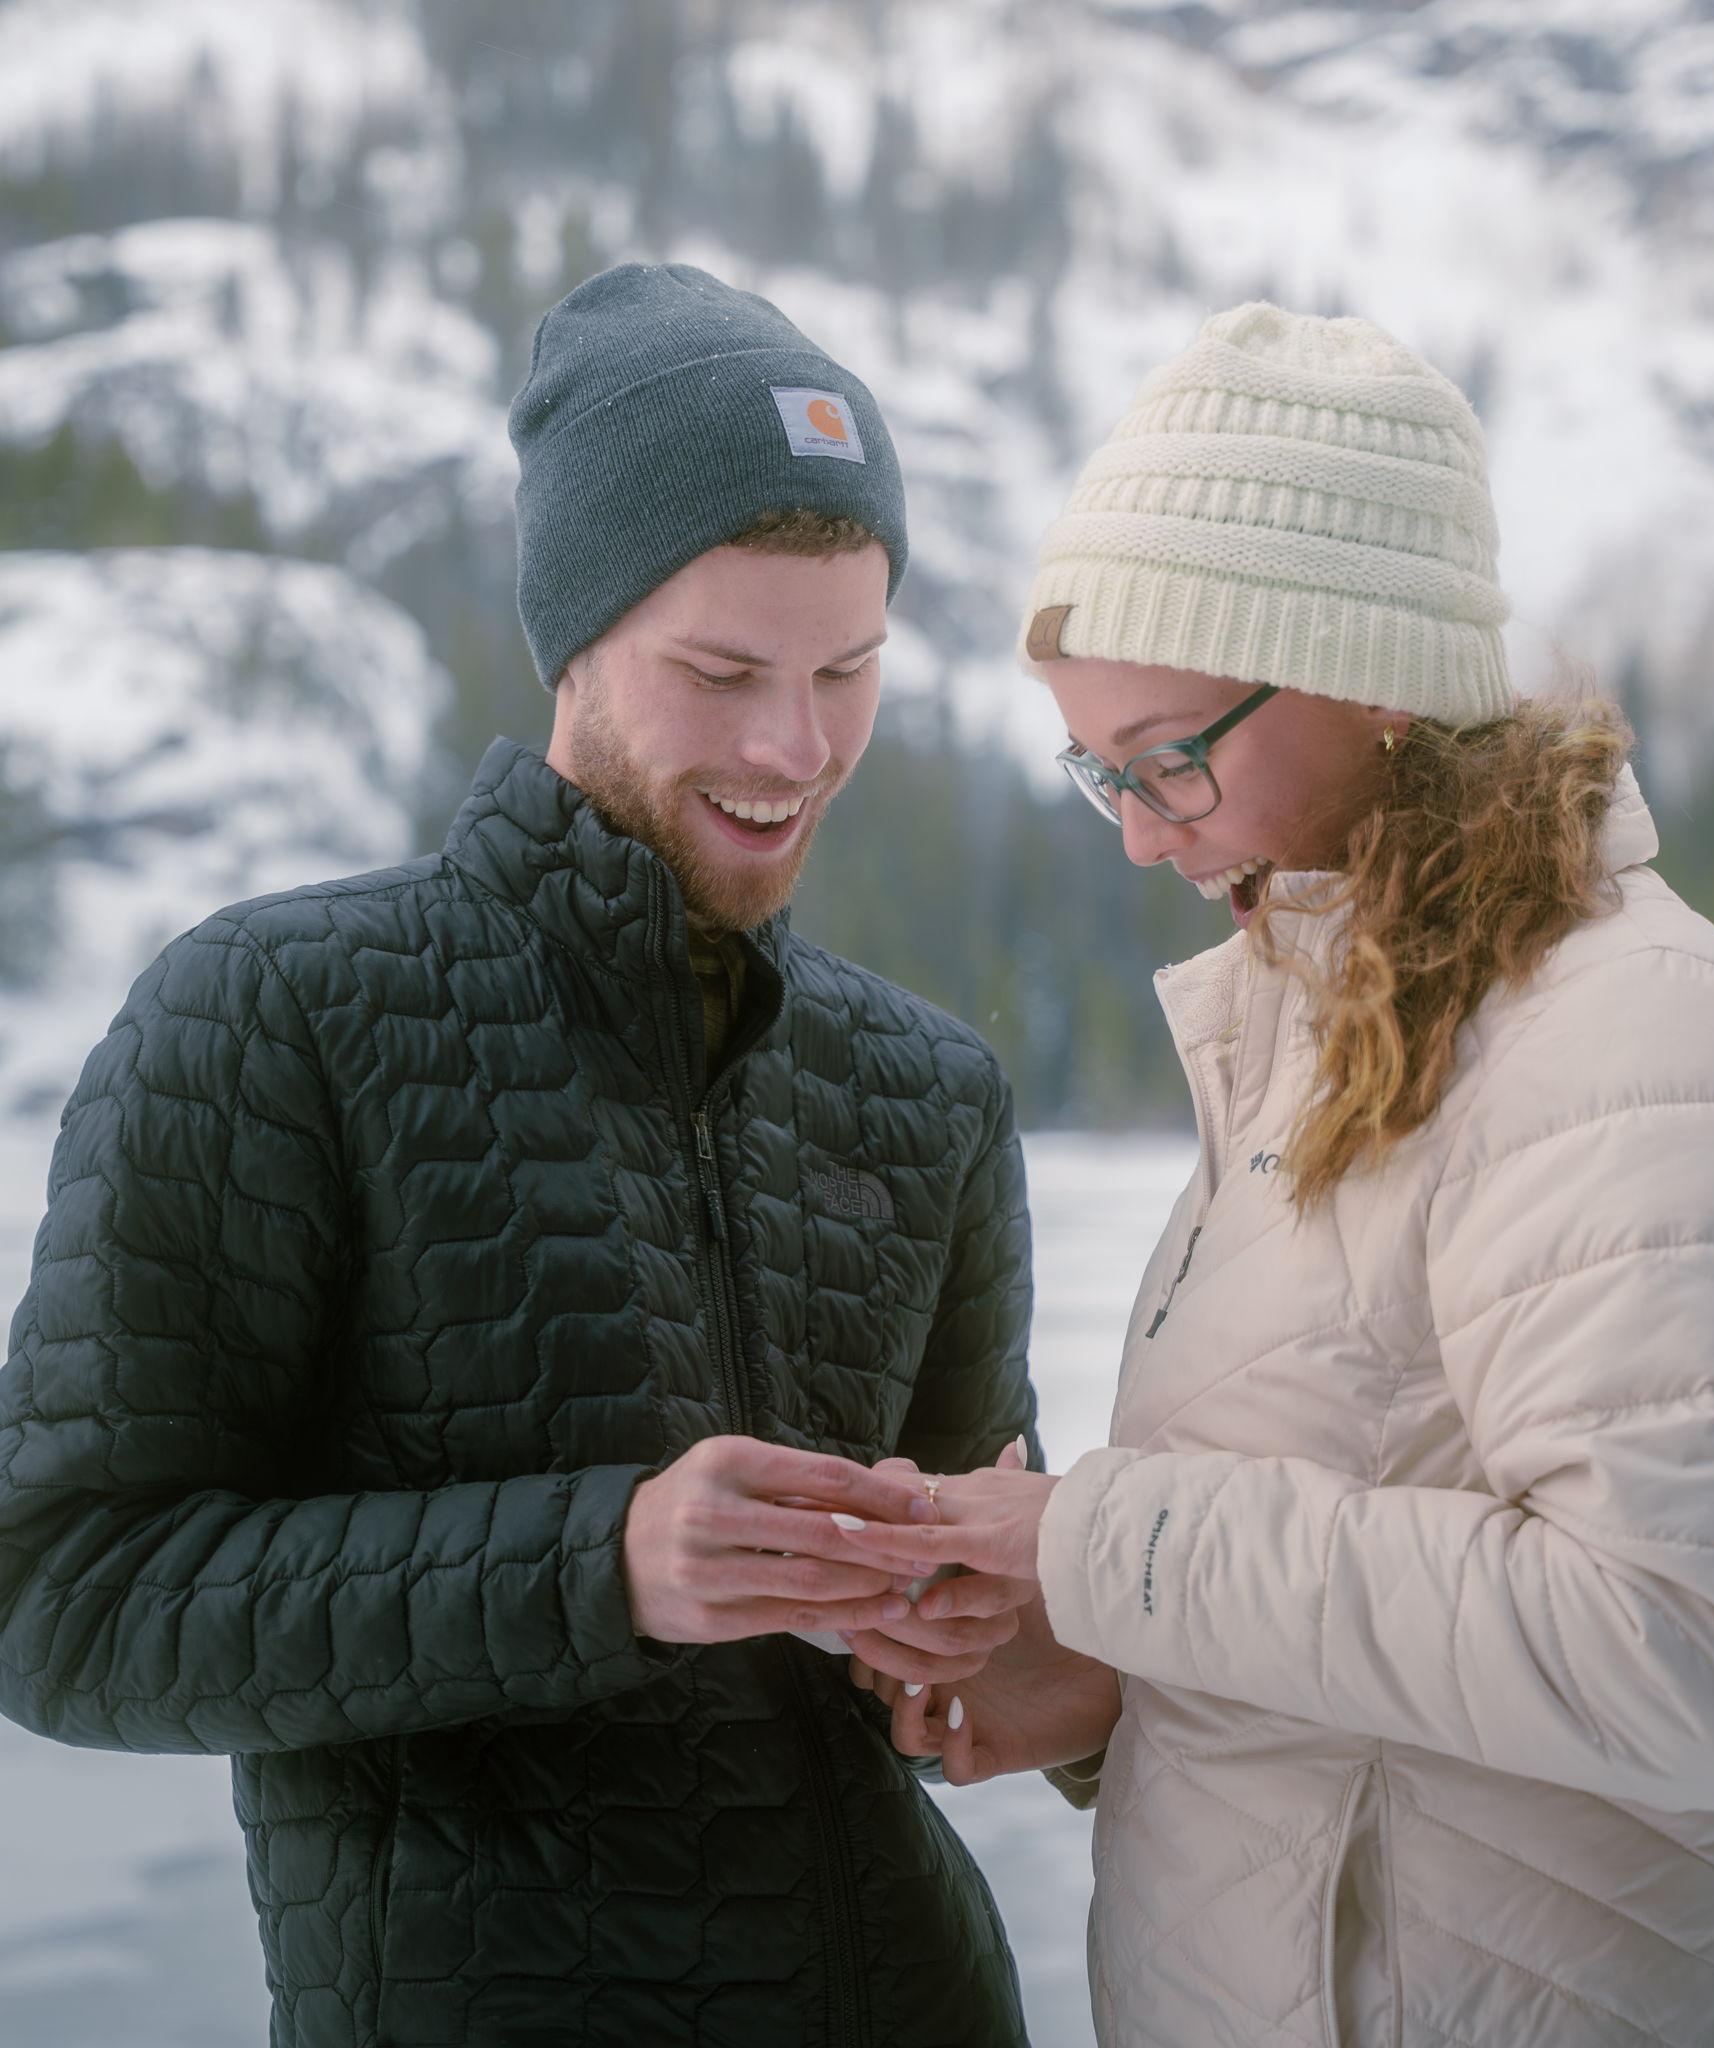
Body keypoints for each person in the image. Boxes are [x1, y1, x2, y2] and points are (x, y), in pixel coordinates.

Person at [0, 262, 1040, 2048]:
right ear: (576, 639)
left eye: (848, 673)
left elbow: (975, 1617)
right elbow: (63, 1600)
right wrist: (604, 1564)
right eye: (722, 673)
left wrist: (990, 1634)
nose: (794, 749)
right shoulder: (274, 1015)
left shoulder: (928, 1090)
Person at [846, 303, 1714, 2046]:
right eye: (1103, 773)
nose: (1149, 833)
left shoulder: (1636, 1045)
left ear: (1367, 674)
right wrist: (1108, 1685)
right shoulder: (1316, 1044)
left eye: (1176, 757)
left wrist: (1099, 1545)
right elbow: (1360, 1585)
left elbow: (1678, 1662)